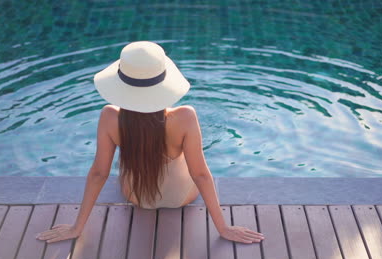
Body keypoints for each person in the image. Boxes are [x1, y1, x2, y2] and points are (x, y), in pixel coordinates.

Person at [36, 41, 265, 245]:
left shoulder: (109, 116)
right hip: (181, 198)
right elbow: (201, 175)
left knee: (129, 159)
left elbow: (98, 173)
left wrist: (77, 228)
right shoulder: (185, 116)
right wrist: (223, 228)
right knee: (187, 158)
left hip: (136, 196)